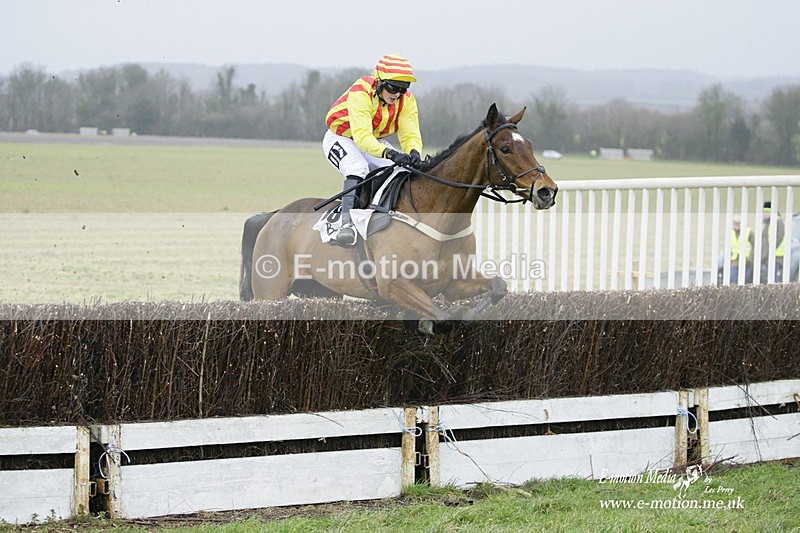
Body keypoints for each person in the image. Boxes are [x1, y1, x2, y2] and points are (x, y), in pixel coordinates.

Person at [322, 54, 424, 246]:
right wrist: (390, 153)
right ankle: (346, 226)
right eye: (393, 87)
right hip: (342, 138)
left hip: (373, 141)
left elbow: (410, 134)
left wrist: (413, 153)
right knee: (357, 168)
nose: (397, 94)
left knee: (401, 171)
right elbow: (362, 137)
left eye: (403, 89)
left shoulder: (407, 101)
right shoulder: (361, 91)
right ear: (379, 82)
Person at [718, 215, 754, 284]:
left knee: (746, 280)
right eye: (735, 223)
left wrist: (750, 259)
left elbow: (754, 247)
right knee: (733, 279)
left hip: (747, 261)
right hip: (735, 261)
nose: (737, 225)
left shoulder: (749, 232)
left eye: (739, 223)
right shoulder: (731, 233)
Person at [760, 201, 786, 282]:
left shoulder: (778, 221)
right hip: (768, 256)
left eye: (767, 211)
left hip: (777, 256)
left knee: (774, 280)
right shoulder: (767, 223)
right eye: (764, 212)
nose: (765, 214)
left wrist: (771, 249)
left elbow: (780, 237)